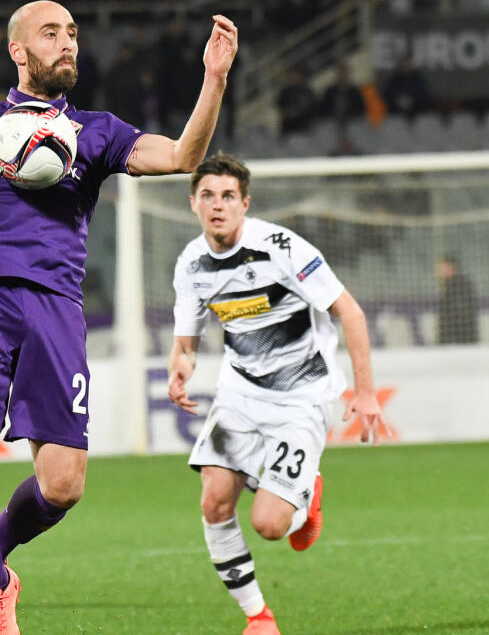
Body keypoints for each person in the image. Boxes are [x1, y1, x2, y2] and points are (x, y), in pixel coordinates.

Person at [0, 0, 238, 634]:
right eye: (51, 33)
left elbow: (182, 157)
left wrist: (214, 79)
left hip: (55, 307)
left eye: (73, 33)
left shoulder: (97, 131)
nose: (67, 43)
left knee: (62, 487)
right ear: (18, 51)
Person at [166, 153, 385, 635]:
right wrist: (180, 370)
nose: (218, 205)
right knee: (214, 501)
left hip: (301, 398)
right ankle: (259, 618)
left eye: (228, 196)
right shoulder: (191, 264)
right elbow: (187, 341)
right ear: (193, 203)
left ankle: (306, 497)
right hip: (239, 395)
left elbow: (350, 312)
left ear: (244, 204)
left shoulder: (282, 248)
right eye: (208, 196)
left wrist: (366, 393)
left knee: (269, 525)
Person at [437, 253, 479, 344]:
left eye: (442, 267)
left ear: (450, 268)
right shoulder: (449, 286)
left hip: (460, 341)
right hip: (458, 341)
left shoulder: (459, 287)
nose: (439, 271)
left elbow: (459, 315)